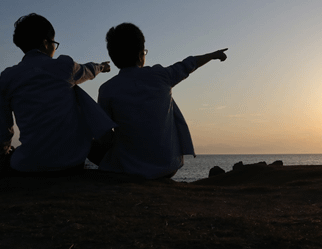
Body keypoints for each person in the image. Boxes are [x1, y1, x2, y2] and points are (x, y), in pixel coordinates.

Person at [96, 22, 228, 179]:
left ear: (114, 57)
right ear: (140, 55)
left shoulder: (107, 89)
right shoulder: (161, 76)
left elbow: (103, 132)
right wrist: (213, 55)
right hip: (167, 167)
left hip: (128, 169)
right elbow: (189, 64)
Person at [0, 13, 113, 182]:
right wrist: (102, 67)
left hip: (29, 164)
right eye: (55, 44)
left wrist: (4, 150)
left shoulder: (7, 77)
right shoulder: (64, 66)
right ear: (45, 43)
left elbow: (4, 129)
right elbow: (88, 70)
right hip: (71, 163)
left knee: (0, 165)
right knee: (75, 90)